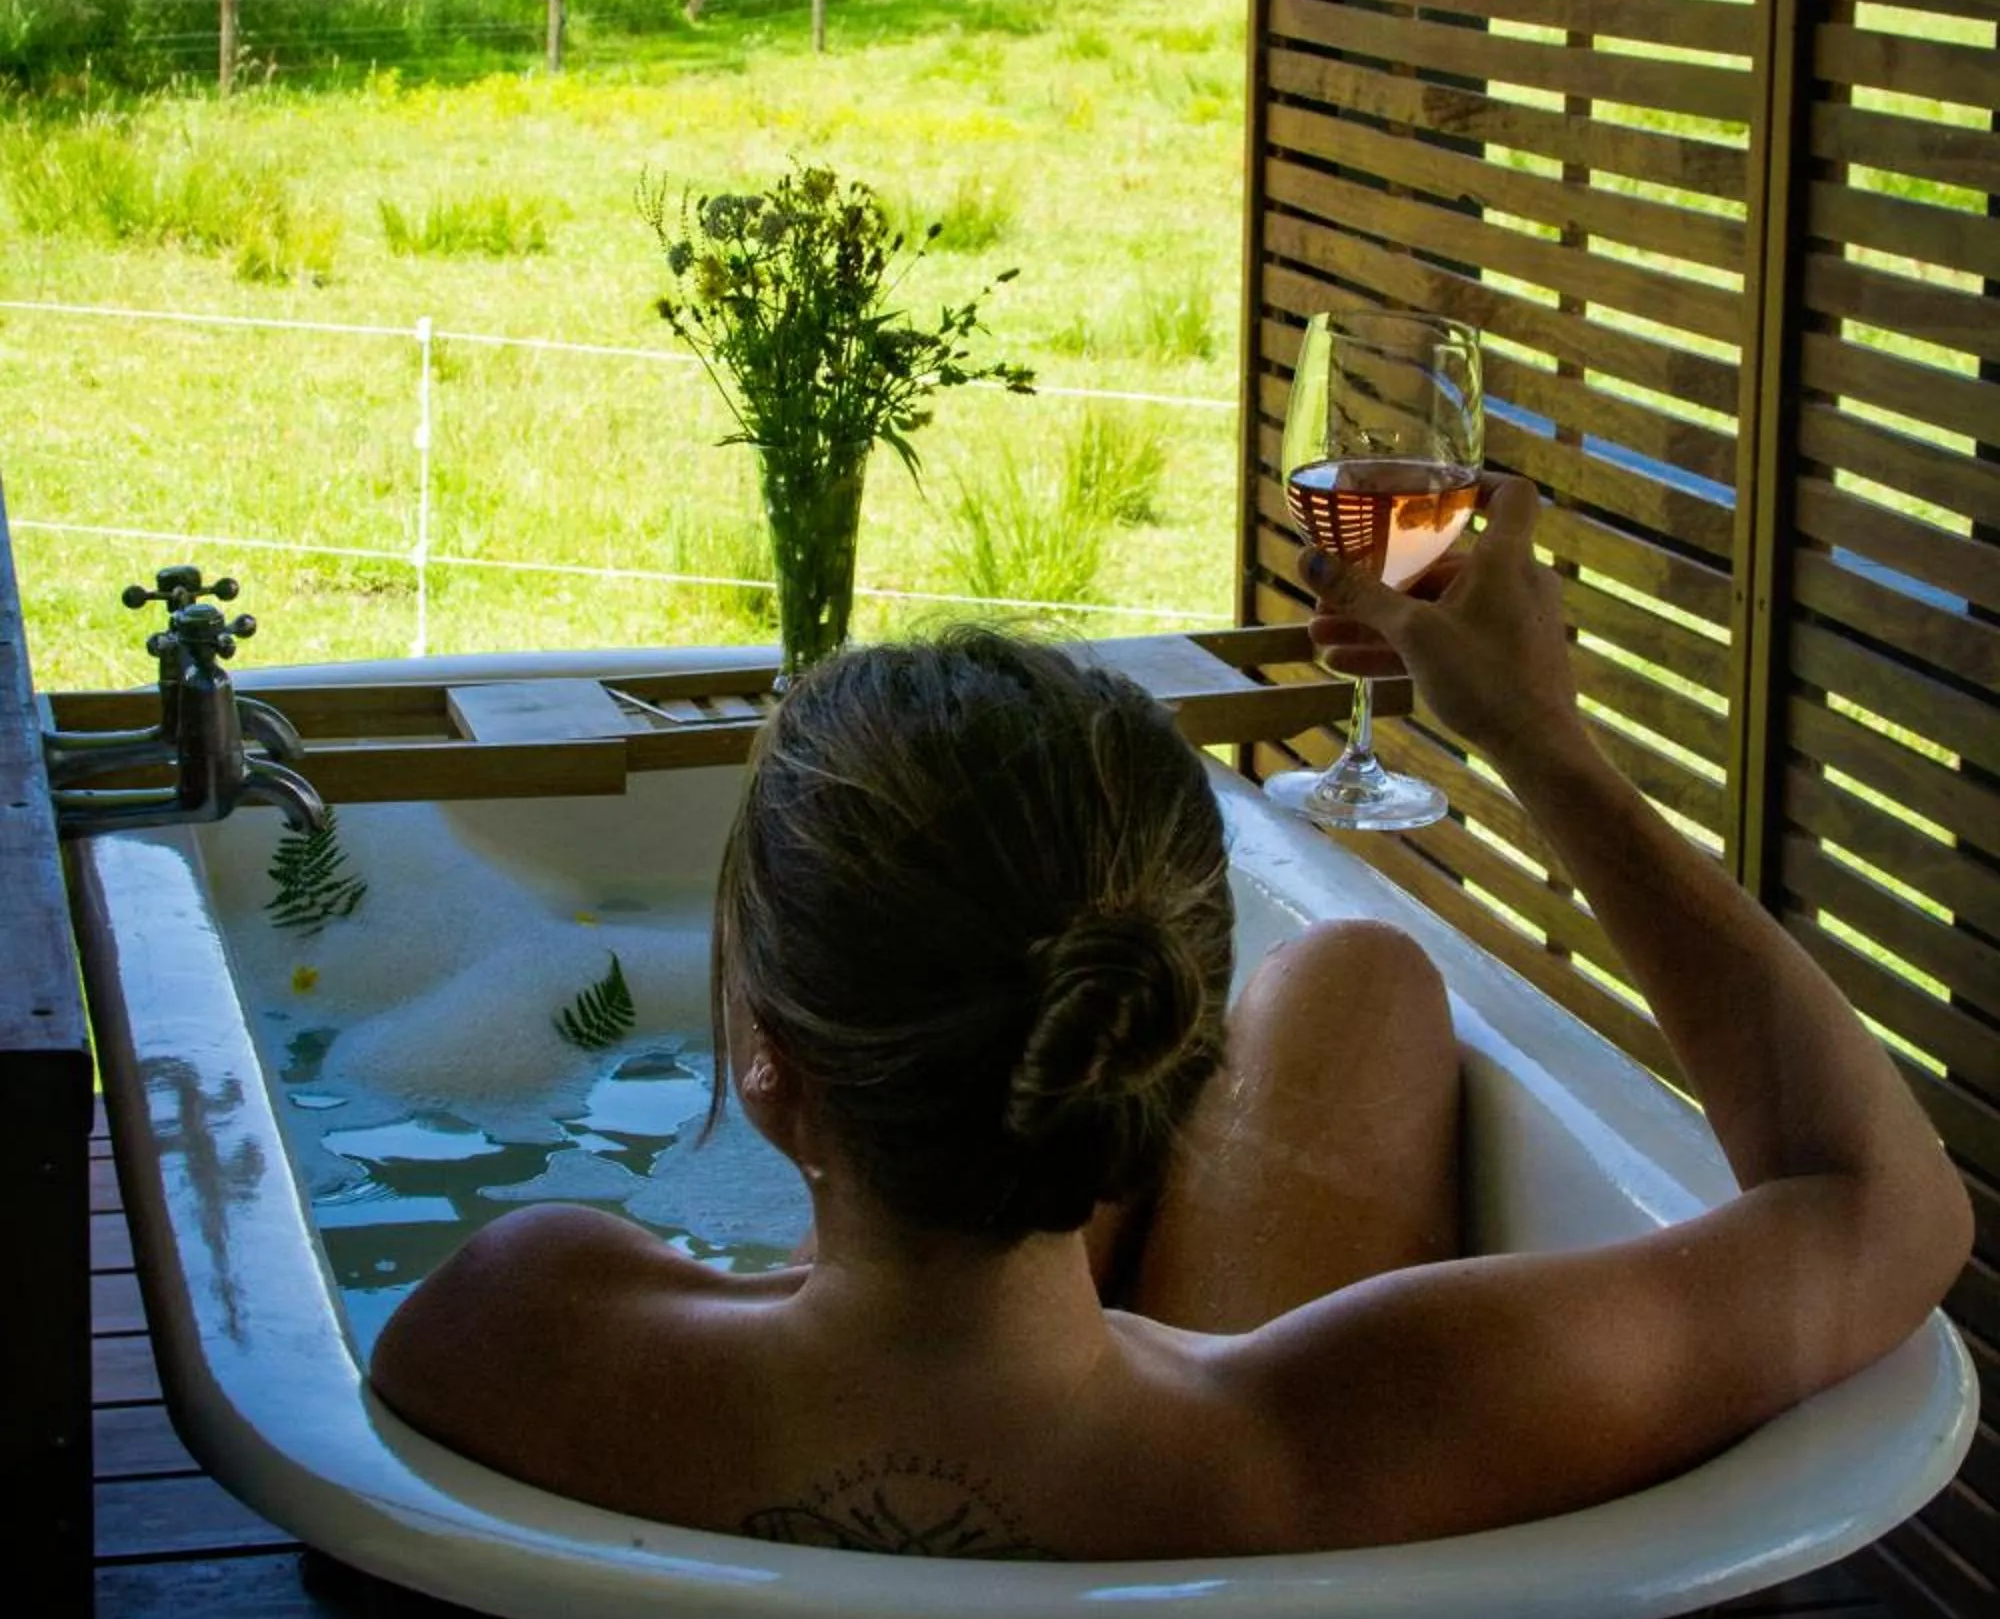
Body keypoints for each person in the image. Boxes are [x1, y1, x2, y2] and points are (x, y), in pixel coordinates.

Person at [371, 480, 1971, 1560]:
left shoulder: (530, 1330)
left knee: (1358, 977)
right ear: (1177, 1070)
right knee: (1363, 978)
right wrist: (1540, 740)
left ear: (768, 1071)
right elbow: (1885, 1210)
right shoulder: (1358, 1430)